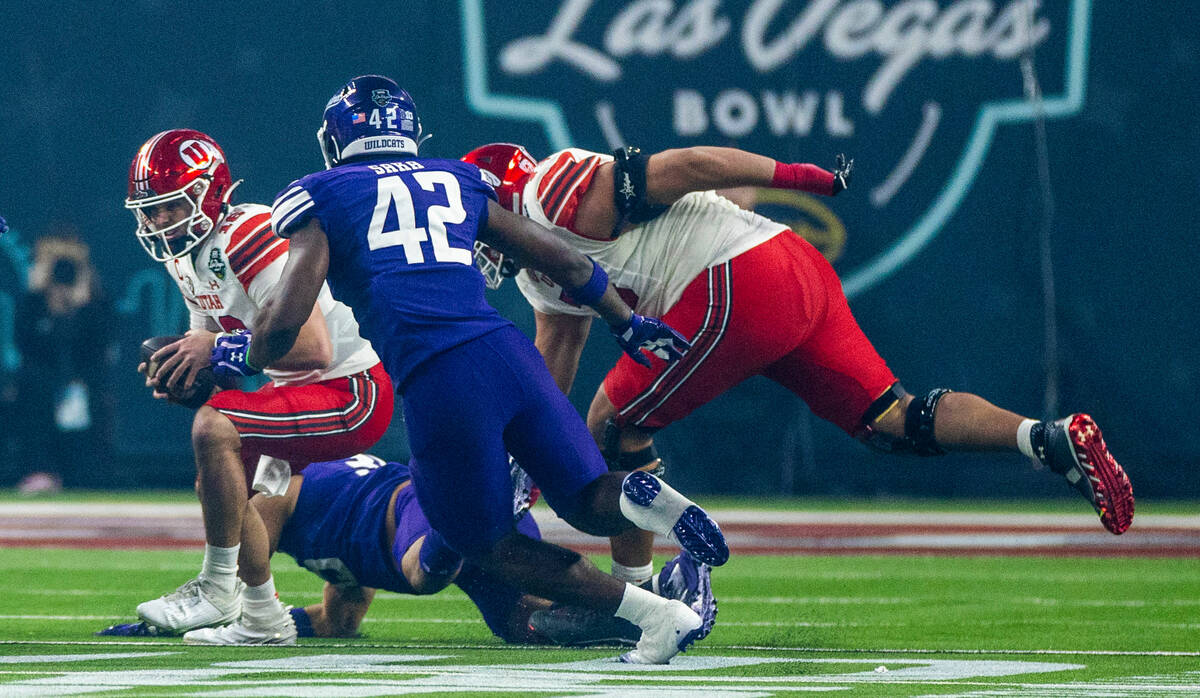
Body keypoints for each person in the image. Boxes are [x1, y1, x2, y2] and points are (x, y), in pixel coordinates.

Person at [462, 142, 1136, 588]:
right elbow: (553, 365)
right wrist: (521, 454)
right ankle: (1046, 439)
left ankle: (639, 596)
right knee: (895, 422)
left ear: (499, 197)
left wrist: (793, 177)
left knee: (612, 429)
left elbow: (691, 164)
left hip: (737, 279)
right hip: (790, 271)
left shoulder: (555, 193)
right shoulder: (538, 271)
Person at [213, 74, 723, 664]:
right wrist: (624, 321)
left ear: (337, 140)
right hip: (510, 358)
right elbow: (558, 256)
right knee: (585, 497)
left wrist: (239, 355)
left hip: (441, 377)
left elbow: (284, 323)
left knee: (487, 544)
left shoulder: (322, 195)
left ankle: (655, 617)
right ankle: (656, 501)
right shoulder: (456, 178)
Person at [123, 129, 395, 644]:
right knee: (220, 484)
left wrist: (216, 351)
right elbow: (217, 358)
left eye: (169, 207)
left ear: (207, 193)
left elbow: (313, 347)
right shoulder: (187, 256)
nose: (157, 221)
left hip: (351, 390)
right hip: (297, 389)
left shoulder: (250, 233)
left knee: (215, 427)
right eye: (150, 210)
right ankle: (263, 619)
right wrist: (184, 374)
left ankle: (216, 587)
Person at [102, 454, 716, 646]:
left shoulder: (276, 498)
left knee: (419, 571)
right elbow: (339, 616)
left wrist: (195, 619)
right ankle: (659, 601)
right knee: (525, 622)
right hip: (423, 523)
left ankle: (483, 500)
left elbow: (244, 542)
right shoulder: (320, 544)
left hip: (419, 505)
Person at [10, 233, 118, 491]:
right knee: (34, 393)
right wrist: (40, 292)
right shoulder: (34, 303)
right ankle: (41, 471)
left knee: (88, 410)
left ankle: (84, 475)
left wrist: (81, 302)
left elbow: (99, 343)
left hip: (83, 383)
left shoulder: (94, 304)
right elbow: (25, 341)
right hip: (42, 384)